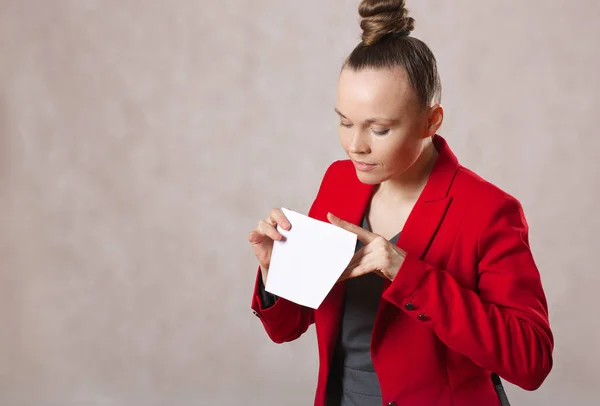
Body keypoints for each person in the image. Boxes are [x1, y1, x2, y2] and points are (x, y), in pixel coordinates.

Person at [247, 1, 554, 405]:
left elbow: (531, 362)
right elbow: (287, 328)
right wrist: (276, 272)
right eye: (344, 122)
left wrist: (408, 272)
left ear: (432, 120)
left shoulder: (488, 211)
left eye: (379, 129)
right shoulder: (339, 182)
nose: (355, 146)